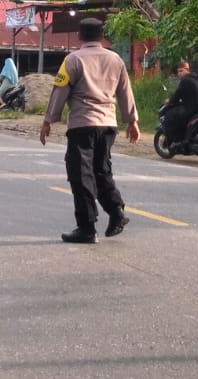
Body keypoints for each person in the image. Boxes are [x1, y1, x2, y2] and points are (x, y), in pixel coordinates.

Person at [39, 16, 139, 243]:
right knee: (102, 170)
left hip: (82, 124)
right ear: (102, 36)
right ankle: (116, 211)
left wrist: (48, 120)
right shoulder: (116, 60)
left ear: (79, 36)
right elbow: (125, 91)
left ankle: (86, 228)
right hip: (107, 125)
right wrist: (132, 121)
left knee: (81, 174)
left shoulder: (72, 60)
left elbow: (59, 91)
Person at [160, 59, 198, 144]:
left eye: (181, 71)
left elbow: (177, 95)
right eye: (178, 71)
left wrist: (170, 101)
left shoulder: (185, 80)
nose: (179, 73)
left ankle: (173, 139)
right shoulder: (197, 79)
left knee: (169, 116)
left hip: (192, 109)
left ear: (187, 70)